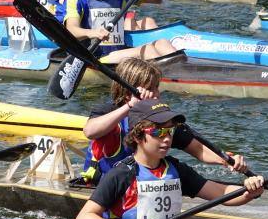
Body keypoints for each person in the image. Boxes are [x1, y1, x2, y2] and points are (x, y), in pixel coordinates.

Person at [75, 100, 264, 219]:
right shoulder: (121, 174)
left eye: (170, 132)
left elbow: (221, 194)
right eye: (158, 132)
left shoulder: (175, 169)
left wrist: (249, 192)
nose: (166, 139)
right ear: (138, 136)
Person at [80, 58, 248, 185]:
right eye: (150, 89)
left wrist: (227, 161)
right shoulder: (108, 110)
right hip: (103, 186)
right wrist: (130, 106)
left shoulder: (162, 120)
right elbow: (90, 131)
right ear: (128, 90)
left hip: (140, 186)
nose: (156, 94)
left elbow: (198, 149)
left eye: (156, 88)